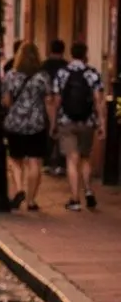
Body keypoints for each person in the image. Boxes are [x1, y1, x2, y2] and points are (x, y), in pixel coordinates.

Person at [51, 41, 104, 212]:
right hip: (87, 122)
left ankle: (75, 199)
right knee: (85, 157)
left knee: (72, 160)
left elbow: (57, 101)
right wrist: (101, 122)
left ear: (71, 54)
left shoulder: (62, 73)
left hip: (67, 121)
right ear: (85, 54)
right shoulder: (92, 73)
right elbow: (98, 100)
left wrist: (53, 122)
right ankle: (88, 190)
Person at [3, 41, 52, 212]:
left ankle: (19, 189)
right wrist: (51, 122)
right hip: (36, 124)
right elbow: (48, 102)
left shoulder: (11, 75)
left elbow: (7, 101)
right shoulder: (42, 77)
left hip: (15, 123)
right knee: (35, 162)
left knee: (15, 159)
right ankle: (31, 201)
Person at [42, 39, 68, 176]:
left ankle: (47, 162)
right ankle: (61, 163)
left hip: (47, 103)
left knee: (48, 131)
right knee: (62, 134)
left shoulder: (44, 66)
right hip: (64, 104)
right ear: (63, 51)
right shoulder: (66, 66)